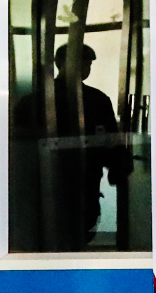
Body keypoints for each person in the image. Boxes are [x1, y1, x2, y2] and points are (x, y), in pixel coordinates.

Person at [11, 41, 134, 250]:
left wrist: (117, 165)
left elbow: (111, 143)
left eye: (87, 64)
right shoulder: (96, 100)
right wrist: (118, 168)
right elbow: (112, 145)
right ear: (60, 63)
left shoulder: (34, 99)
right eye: (81, 62)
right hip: (76, 186)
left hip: (55, 187)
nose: (84, 68)